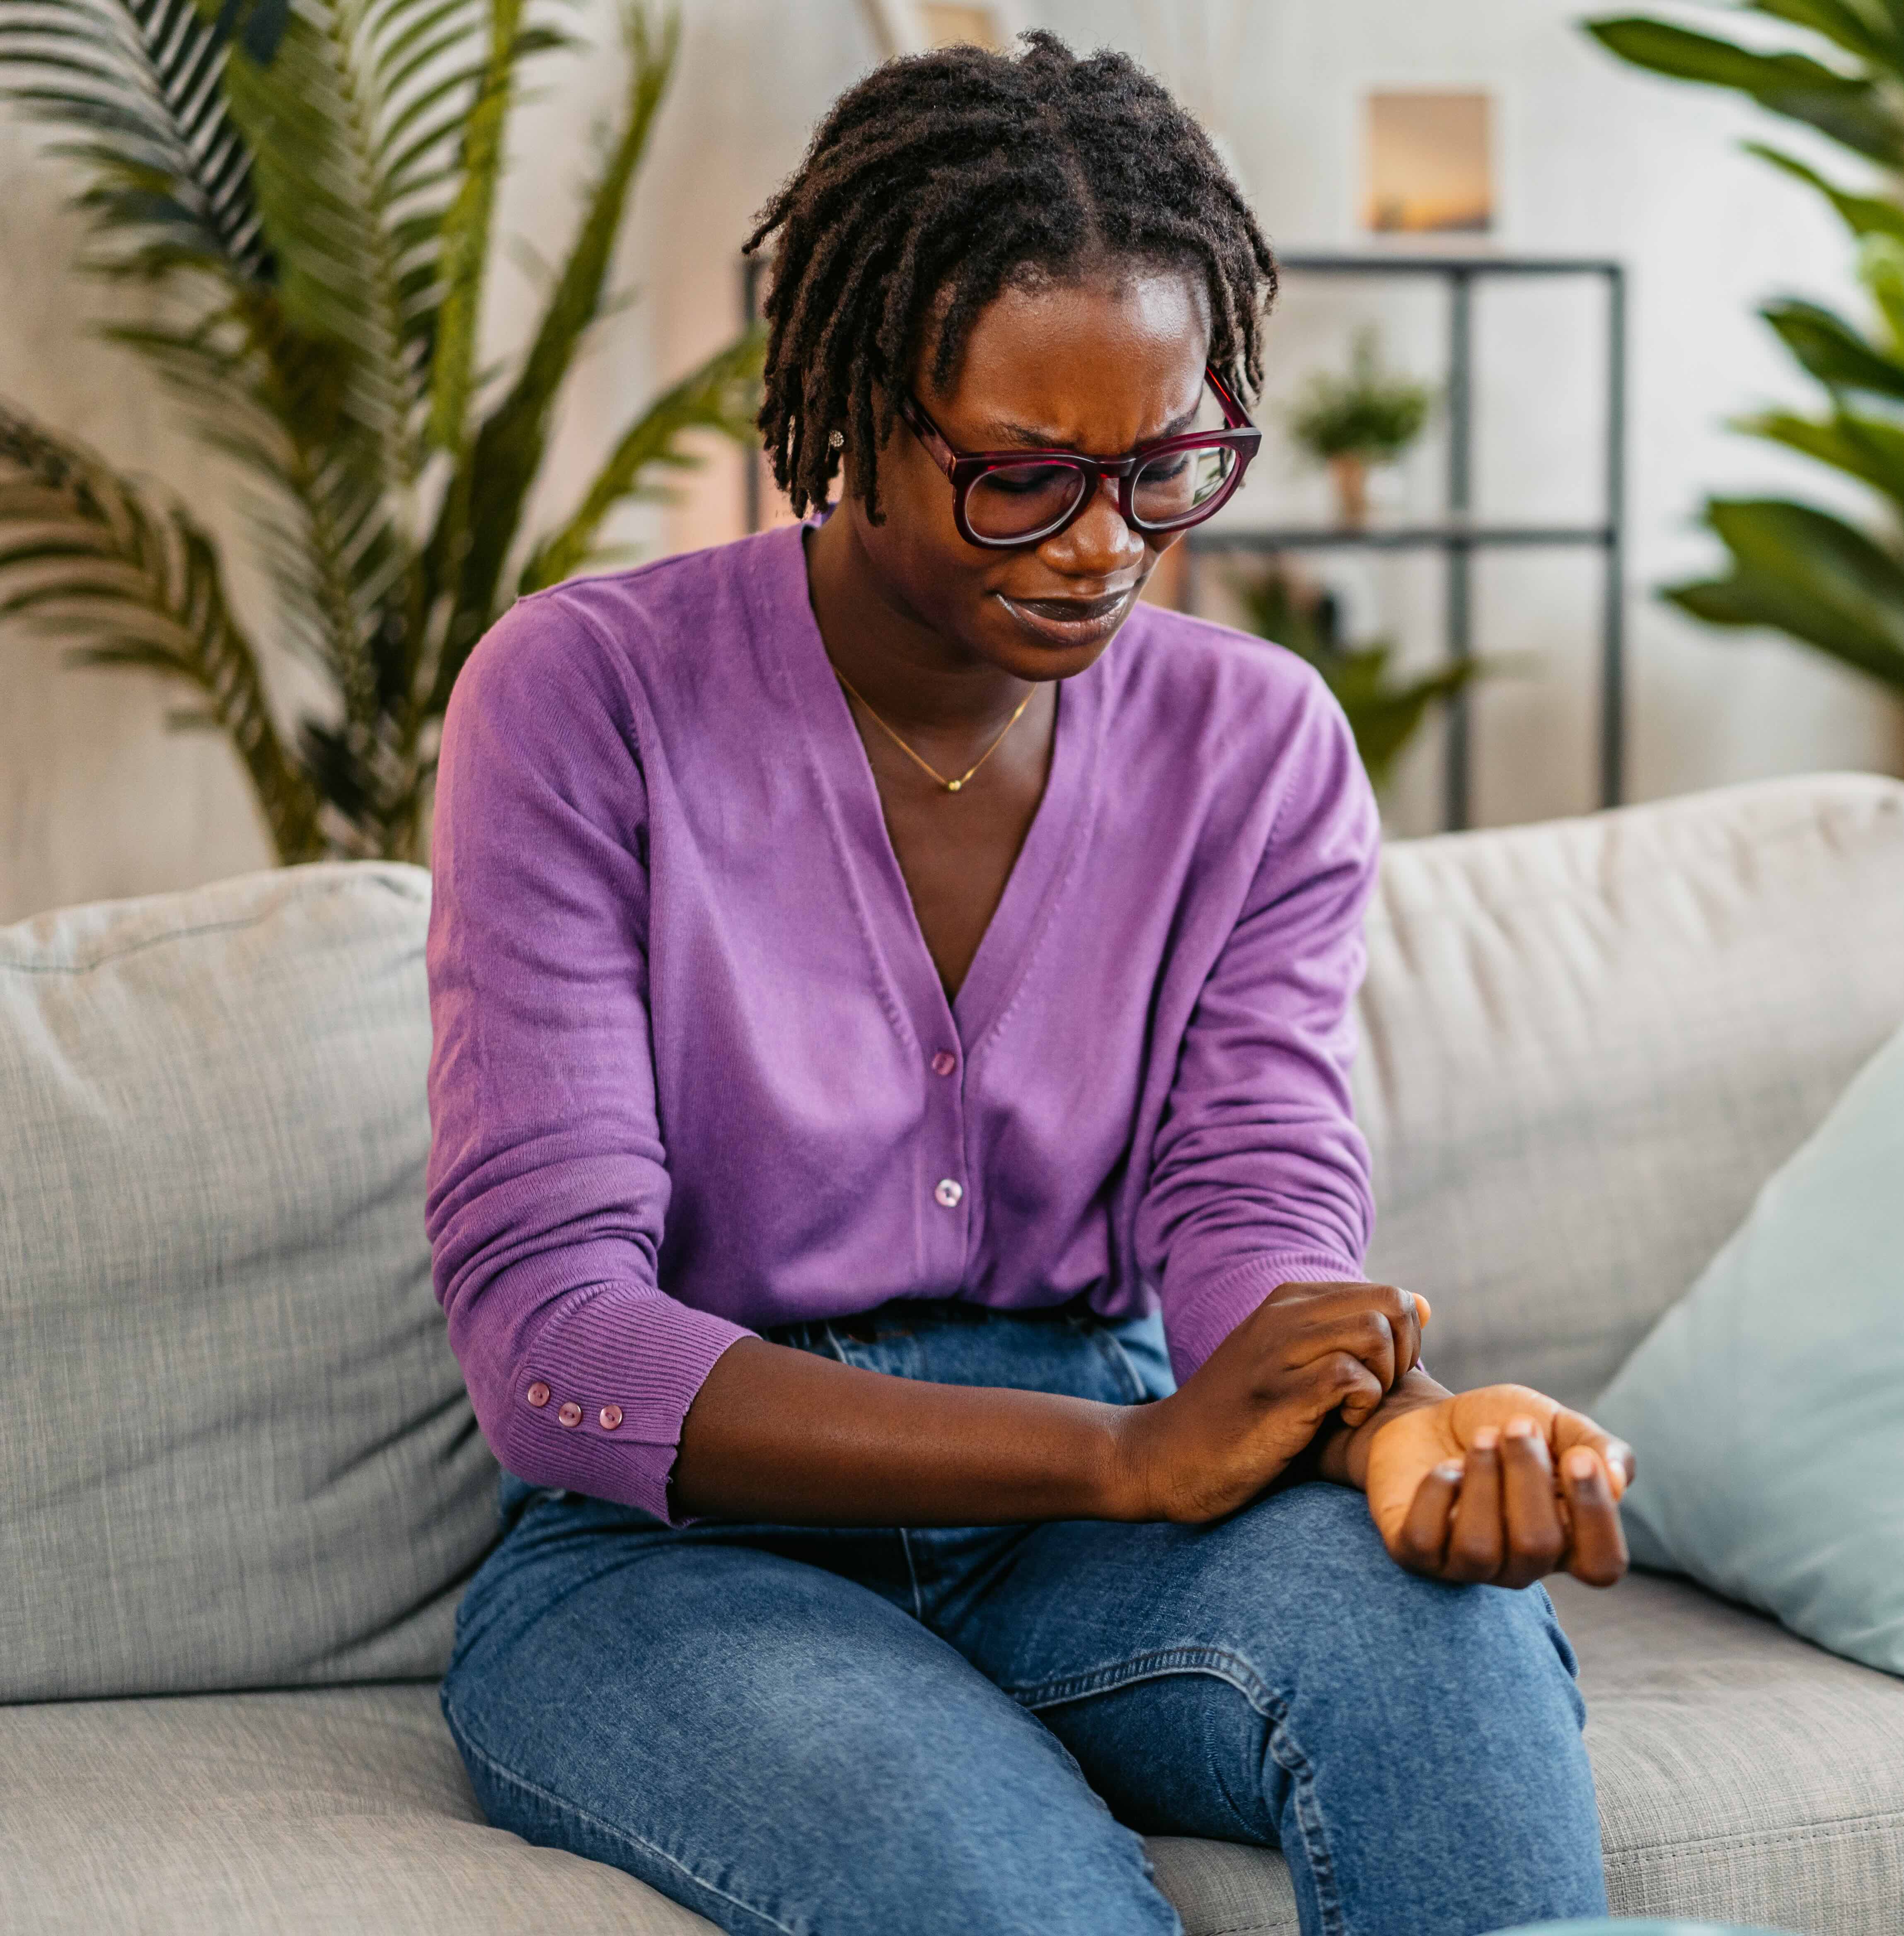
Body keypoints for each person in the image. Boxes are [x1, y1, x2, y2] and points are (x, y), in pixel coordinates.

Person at [423, 33, 1632, 1936]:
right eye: (1022, 476)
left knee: (1451, 1648)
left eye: (1168, 468)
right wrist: (1122, 1455)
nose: (1102, 545)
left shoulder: (1261, 745)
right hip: (681, 1563)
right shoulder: (588, 699)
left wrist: (1401, 1419)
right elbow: (552, 1339)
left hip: (1106, 1527)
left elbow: (1254, 1205)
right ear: (850, 418)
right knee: (998, 1886)